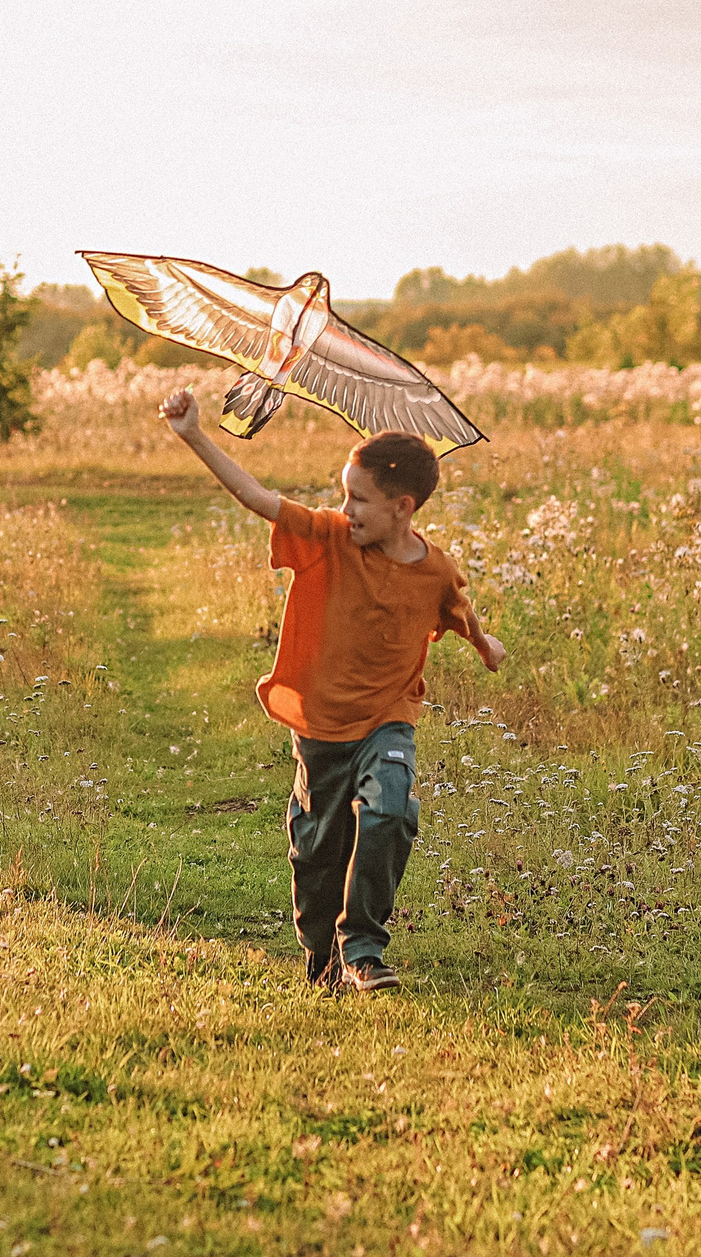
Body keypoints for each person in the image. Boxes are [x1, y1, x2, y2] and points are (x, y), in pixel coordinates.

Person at [160, 388, 507, 994]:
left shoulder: (435, 569)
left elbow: (458, 609)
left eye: (358, 498)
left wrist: (485, 644)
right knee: (317, 852)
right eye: (344, 494)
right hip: (320, 727)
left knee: (391, 806)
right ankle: (321, 959)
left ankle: (363, 949)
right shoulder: (328, 538)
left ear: (404, 507)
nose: (345, 508)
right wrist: (193, 435)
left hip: (388, 719)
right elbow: (259, 498)